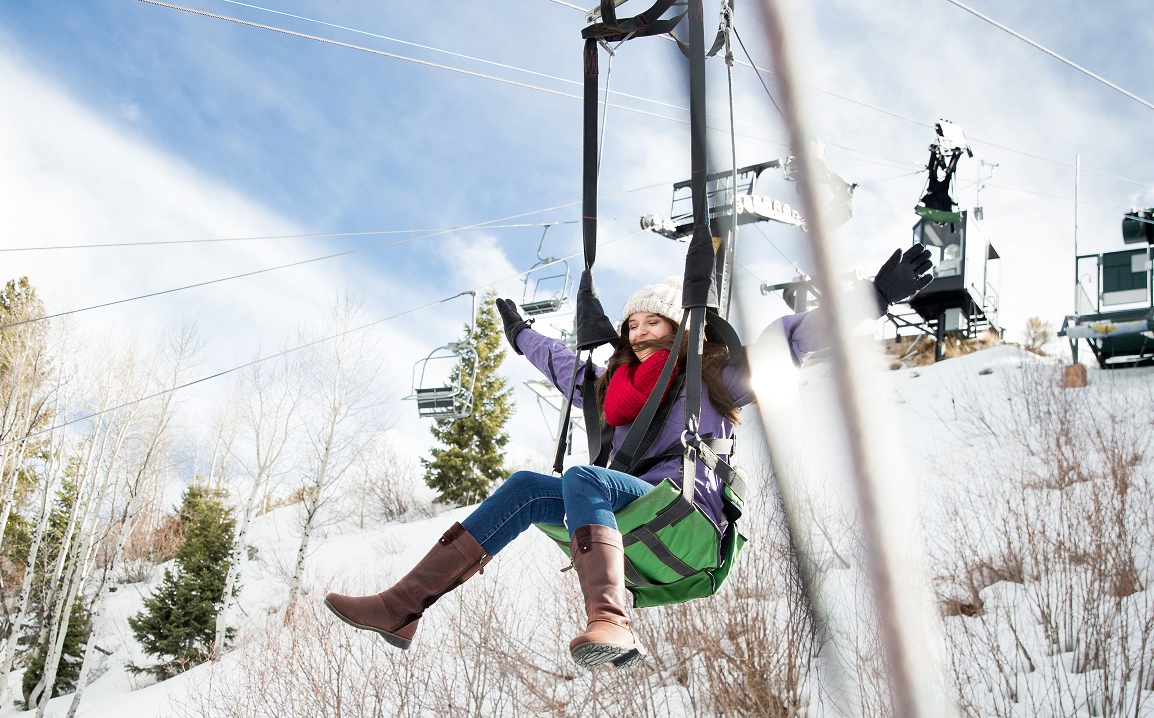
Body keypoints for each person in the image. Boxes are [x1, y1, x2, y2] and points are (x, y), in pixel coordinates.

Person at [325, 246, 933, 670]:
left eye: (654, 320)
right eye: (631, 322)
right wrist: (519, 336)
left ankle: (612, 621)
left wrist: (873, 296)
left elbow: (793, 340)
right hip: (629, 524)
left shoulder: (715, 377)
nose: (639, 330)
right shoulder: (608, 389)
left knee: (582, 477)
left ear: (679, 327)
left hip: (687, 523)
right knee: (526, 487)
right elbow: (563, 364)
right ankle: (402, 607)